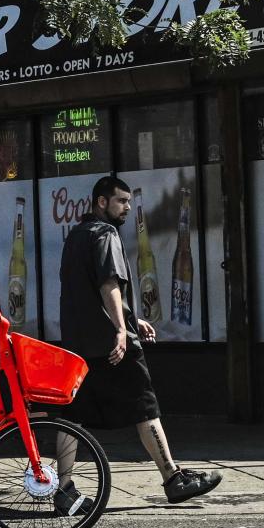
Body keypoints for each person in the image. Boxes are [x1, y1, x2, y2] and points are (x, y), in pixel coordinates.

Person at [57, 174, 222, 505]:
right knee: (145, 407)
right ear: (101, 202)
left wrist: (134, 317)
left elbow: (90, 292)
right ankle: (173, 478)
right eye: (120, 201)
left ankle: (62, 489)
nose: (127, 208)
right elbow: (108, 285)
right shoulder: (105, 234)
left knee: (72, 414)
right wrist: (122, 329)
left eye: (129, 202)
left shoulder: (76, 235)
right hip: (113, 346)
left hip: (78, 344)